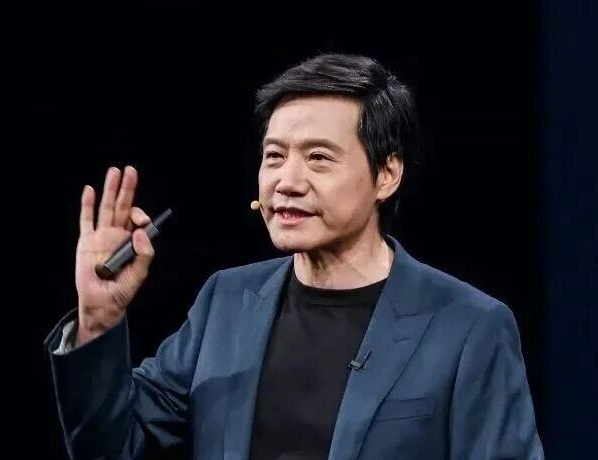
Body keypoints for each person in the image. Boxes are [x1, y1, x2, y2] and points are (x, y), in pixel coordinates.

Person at [44, 53, 544, 460]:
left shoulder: (468, 326)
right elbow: (108, 448)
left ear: (386, 176)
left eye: (318, 158)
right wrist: (99, 321)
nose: (287, 181)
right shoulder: (227, 301)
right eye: (275, 156)